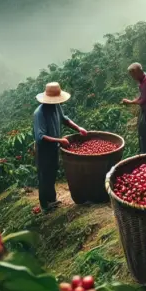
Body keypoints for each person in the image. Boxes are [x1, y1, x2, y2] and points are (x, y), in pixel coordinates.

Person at [32, 82, 87, 212]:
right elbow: (41, 137)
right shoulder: (39, 113)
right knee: (44, 175)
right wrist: (60, 140)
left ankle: (52, 200)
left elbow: (64, 119)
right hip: (44, 150)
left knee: (52, 172)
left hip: (54, 147)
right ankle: (45, 205)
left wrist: (78, 128)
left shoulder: (56, 106)